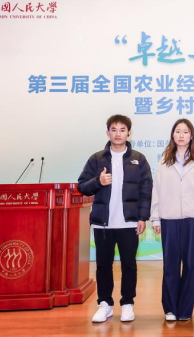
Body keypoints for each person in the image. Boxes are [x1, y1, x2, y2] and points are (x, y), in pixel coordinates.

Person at [78, 114, 152, 323]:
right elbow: (82, 186)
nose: (118, 133)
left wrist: (142, 217)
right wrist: (98, 181)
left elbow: (146, 190)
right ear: (107, 132)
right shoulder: (96, 159)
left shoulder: (139, 159)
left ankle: (127, 304)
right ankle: (105, 304)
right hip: (103, 223)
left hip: (129, 222)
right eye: (113, 129)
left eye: (122, 130)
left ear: (129, 133)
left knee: (129, 264)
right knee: (103, 265)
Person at [150, 118, 194, 322]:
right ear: (173, 135)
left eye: (185, 132)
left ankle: (185, 309)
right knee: (170, 264)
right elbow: (157, 190)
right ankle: (170, 308)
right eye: (178, 131)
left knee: (191, 265)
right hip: (169, 218)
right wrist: (155, 218)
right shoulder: (164, 161)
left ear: (191, 135)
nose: (181, 135)